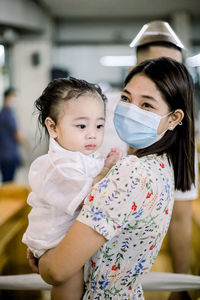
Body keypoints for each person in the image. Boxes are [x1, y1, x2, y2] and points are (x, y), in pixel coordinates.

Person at [36, 57, 195, 300]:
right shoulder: (162, 166)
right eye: (125, 98)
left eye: (146, 105)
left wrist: (41, 257)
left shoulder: (131, 172)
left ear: (173, 118)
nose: (131, 109)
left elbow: (57, 270)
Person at [99, 20, 197, 300]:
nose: (169, 80)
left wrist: (181, 288)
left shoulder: (179, 136)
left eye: (176, 72)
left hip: (136, 272)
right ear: (134, 71)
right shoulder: (93, 118)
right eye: (159, 69)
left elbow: (180, 219)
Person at [22, 77, 122, 300]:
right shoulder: (57, 166)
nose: (92, 134)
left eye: (99, 125)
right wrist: (106, 170)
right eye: (81, 126)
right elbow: (91, 197)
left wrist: (103, 167)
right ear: (53, 127)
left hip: (70, 237)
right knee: (70, 283)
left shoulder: (83, 157)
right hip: (55, 241)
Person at [0, 88, 23, 182]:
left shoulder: (2, 113)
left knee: (7, 183)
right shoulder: (8, 114)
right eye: (14, 96)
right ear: (8, 97)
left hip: (4, 154)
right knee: (9, 184)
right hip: (8, 156)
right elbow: (16, 135)